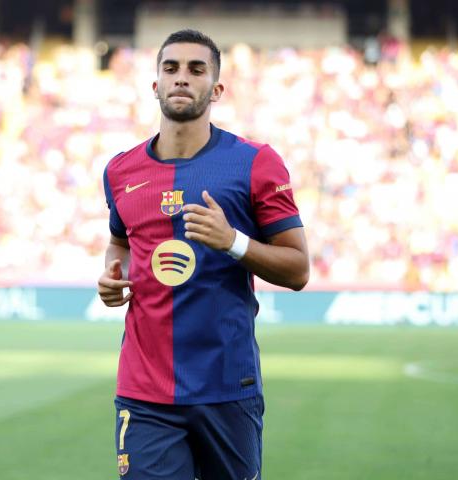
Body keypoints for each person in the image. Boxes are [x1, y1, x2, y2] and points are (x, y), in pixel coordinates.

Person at [98, 29, 309, 480]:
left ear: (216, 89)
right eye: (170, 68)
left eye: (196, 69)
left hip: (227, 387)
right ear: (155, 85)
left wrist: (232, 240)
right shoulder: (120, 171)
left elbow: (298, 269)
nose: (181, 78)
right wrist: (113, 277)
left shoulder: (254, 162)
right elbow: (120, 240)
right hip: (145, 391)